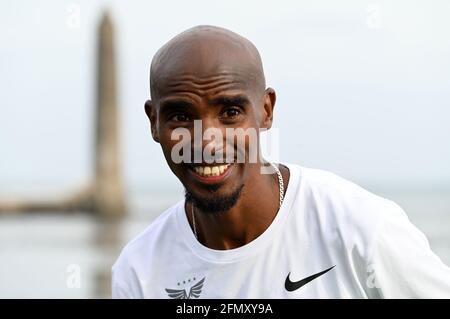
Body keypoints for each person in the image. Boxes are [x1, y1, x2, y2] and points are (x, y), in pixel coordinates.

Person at [112, 25, 450, 298]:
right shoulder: (140, 271)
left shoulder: (362, 229)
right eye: (181, 116)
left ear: (266, 110)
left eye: (230, 112)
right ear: (154, 122)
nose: (206, 141)